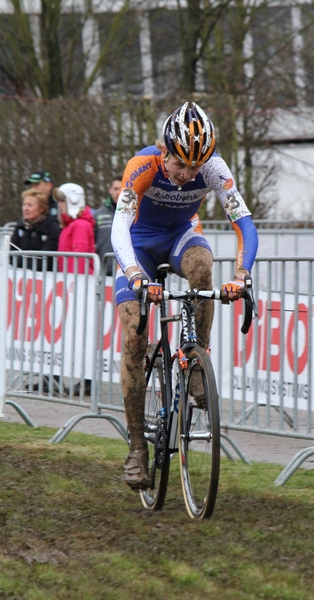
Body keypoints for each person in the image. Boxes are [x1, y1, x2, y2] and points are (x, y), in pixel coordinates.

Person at [111, 101, 258, 490]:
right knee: (134, 336)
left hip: (181, 238)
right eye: (180, 165)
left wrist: (242, 274)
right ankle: (137, 448)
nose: (188, 174)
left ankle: (195, 359)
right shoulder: (141, 166)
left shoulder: (214, 168)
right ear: (164, 151)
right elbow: (119, 229)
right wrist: (135, 275)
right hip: (138, 247)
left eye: (196, 167)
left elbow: (243, 222)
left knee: (203, 269)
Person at [57, 183, 95, 397]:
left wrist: (72, 286)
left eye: (63, 201)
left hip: (79, 286)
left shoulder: (80, 225)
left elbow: (79, 259)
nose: (60, 206)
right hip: (73, 285)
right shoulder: (71, 224)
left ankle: (87, 381)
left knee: (83, 334)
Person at [10, 189, 60, 270]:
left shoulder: (52, 227)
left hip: (45, 277)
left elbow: (46, 257)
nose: (25, 208)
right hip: (20, 274)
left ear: (42, 209)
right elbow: (12, 252)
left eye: (30, 205)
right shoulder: (20, 225)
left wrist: (27, 268)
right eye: (24, 204)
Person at [94, 175, 122, 275]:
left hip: (125, 270)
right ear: (110, 190)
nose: (118, 192)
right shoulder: (98, 214)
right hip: (103, 269)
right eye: (115, 189)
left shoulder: (134, 213)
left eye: (121, 189)